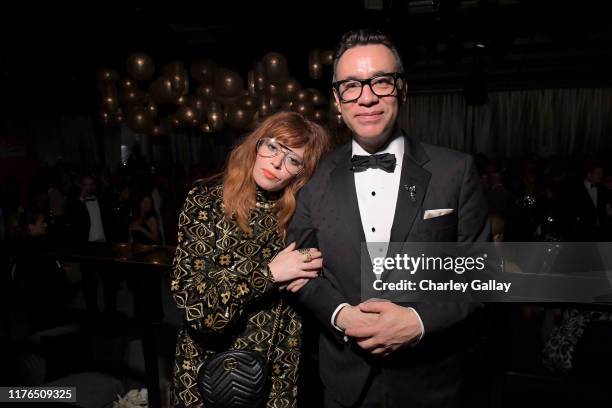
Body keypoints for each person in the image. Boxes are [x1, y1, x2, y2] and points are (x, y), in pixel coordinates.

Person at [287, 29, 490, 408]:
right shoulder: (311, 181)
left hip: (433, 385)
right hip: (346, 386)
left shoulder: (455, 170)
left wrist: (418, 320)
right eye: (351, 86)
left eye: (380, 81)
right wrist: (340, 315)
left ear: (402, 89)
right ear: (337, 99)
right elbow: (303, 272)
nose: (366, 97)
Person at [170, 111, 329, 408]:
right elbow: (195, 306)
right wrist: (269, 275)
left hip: (278, 377)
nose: (277, 163)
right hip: (213, 375)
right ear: (257, 144)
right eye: (272, 147)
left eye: (293, 159)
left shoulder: (302, 215)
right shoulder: (206, 200)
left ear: (302, 172)